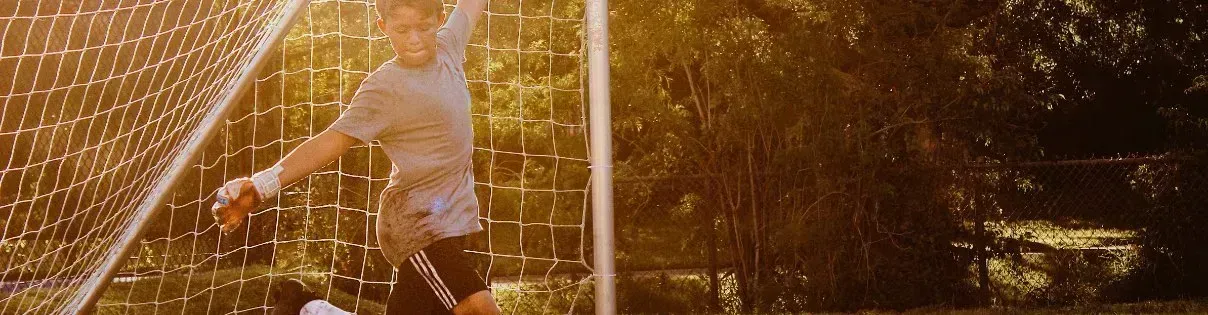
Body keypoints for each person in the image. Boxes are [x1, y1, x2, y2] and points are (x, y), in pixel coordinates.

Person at [210, 0, 499, 314]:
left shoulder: (448, 48)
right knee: (477, 308)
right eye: (402, 29)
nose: (414, 38)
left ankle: (306, 309)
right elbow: (331, 141)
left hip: (453, 222)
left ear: (440, 21)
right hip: (417, 225)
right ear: (383, 27)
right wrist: (262, 185)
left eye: (424, 27)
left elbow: (471, 5)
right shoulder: (385, 87)